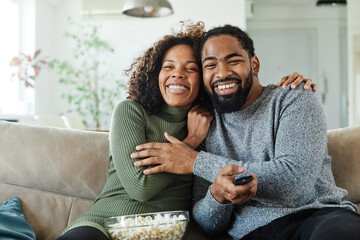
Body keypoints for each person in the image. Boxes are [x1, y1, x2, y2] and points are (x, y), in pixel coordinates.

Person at [57, 22, 313, 240]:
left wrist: (293, 84)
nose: (177, 75)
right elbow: (141, 188)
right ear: (155, 73)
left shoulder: (214, 123)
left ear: (203, 77)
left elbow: (242, 93)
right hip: (104, 226)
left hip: (163, 232)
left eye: (190, 68)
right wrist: (190, 142)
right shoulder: (131, 111)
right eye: (168, 67)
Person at [131, 24, 360, 240]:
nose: (221, 73)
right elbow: (207, 224)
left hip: (317, 217)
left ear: (255, 65)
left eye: (233, 61)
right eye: (210, 65)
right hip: (253, 232)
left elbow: (295, 183)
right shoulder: (203, 123)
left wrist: (197, 162)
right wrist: (218, 196)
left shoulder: (294, 98)